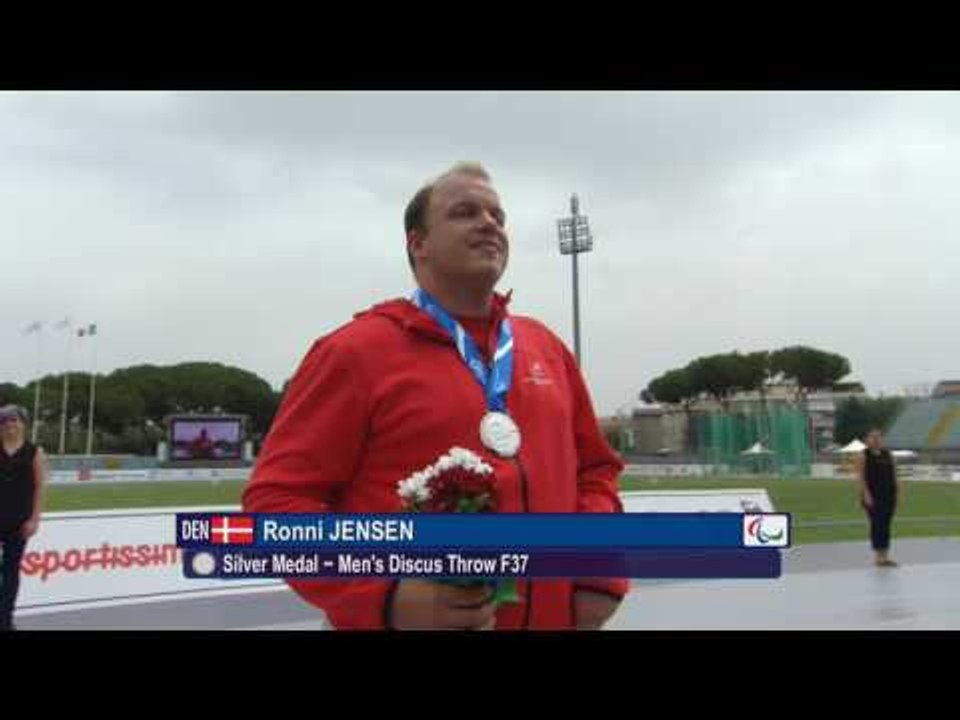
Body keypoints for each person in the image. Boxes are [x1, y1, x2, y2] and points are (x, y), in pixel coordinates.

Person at [244, 162, 628, 630]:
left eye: (497, 216)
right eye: (465, 212)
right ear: (417, 243)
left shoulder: (545, 348)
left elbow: (595, 471)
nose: (489, 223)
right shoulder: (353, 352)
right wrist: (386, 595)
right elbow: (277, 503)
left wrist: (598, 570)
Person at [0, 404, 47, 630]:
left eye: (14, 420)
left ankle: (5, 619)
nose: (9, 424)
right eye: (5, 421)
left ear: (23, 424)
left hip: (19, 522)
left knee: (10, 571)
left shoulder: (34, 452)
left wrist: (34, 519)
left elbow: (39, 488)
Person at [855, 429, 901, 567]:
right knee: (877, 525)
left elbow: (894, 475)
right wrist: (866, 494)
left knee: (886, 525)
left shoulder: (888, 455)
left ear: (882, 439)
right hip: (872, 496)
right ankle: (878, 557)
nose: (876, 439)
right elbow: (861, 477)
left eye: (878, 437)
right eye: (872, 437)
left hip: (888, 495)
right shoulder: (863, 455)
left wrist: (898, 492)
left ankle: (885, 556)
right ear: (867, 439)